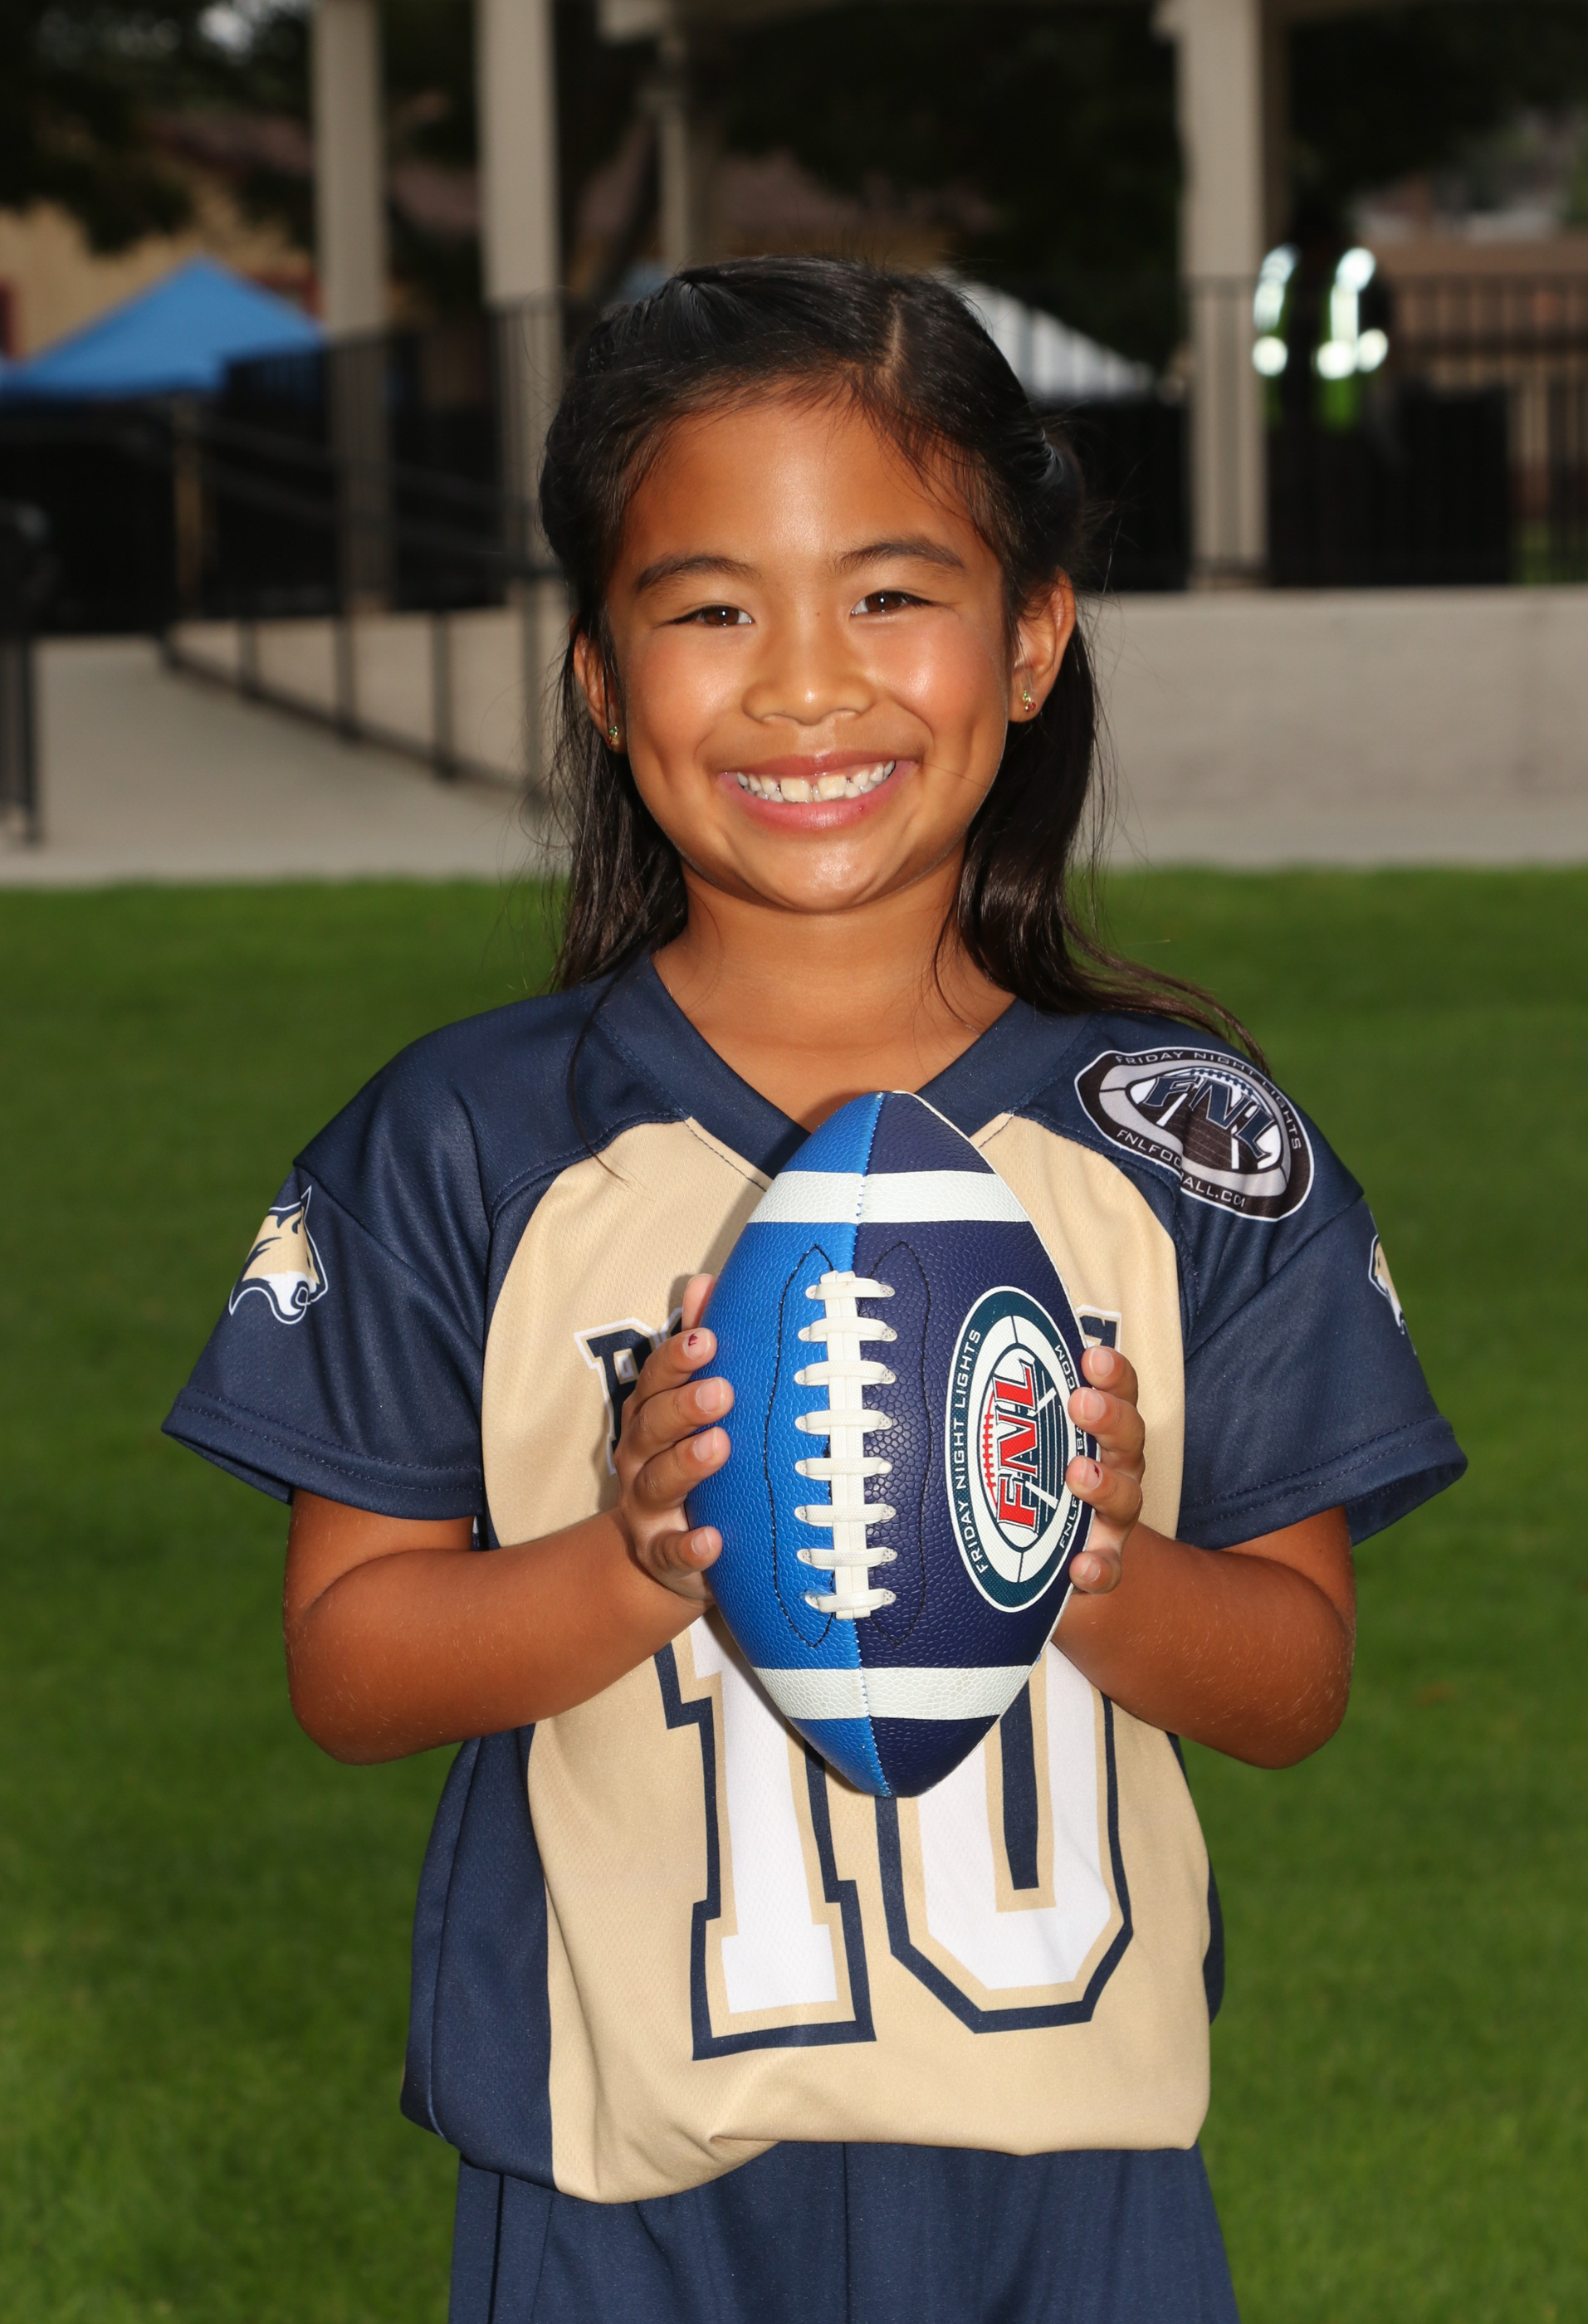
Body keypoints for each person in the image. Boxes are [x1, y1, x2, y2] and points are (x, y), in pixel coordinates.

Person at [165, 260, 1465, 2324]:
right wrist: (636, 1557)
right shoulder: (470, 1140)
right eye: (709, 610)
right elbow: (349, 1661)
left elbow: (1293, 1679)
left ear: (1030, 635)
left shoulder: (1182, 1141)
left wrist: (1090, 1559)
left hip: (1071, 2184)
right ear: (601, 676)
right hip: (623, 2187)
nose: (802, 686)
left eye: (887, 593)